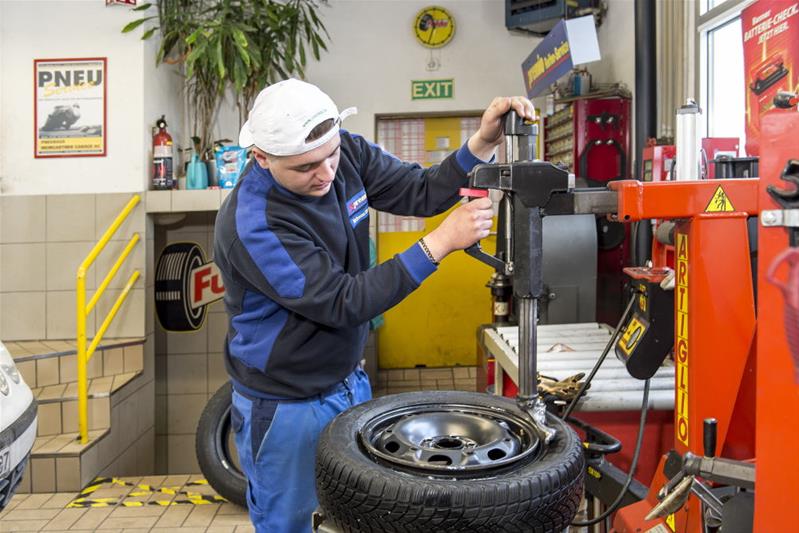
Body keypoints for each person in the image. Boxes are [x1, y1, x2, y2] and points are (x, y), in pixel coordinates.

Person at [213, 78, 536, 532]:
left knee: (356, 518)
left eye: (331, 155)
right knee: (292, 525)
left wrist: (482, 142)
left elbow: (421, 191)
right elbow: (345, 301)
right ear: (261, 158)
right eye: (306, 167)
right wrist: (441, 242)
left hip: (348, 383)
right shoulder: (255, 222)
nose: (326, 173)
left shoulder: (346, 152)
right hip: (287, 405)